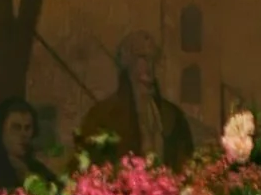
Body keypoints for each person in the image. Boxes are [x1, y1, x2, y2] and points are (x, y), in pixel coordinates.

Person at [79, 32, 193, 168]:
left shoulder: (173, 117)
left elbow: (186, 165)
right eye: (143, 58)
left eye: (153, 60)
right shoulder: (102, 117)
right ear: (128, 63)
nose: (149, 68)